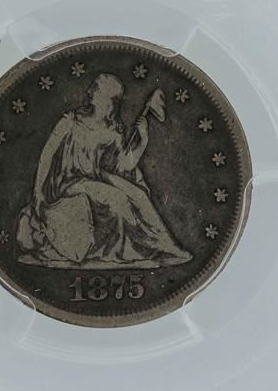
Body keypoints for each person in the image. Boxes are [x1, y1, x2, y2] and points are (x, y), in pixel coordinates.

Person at [16, 73, 192, 268]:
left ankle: (167, 245)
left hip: (96, 178)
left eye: (96, 88)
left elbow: (124, 166)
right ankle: (142, 245)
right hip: (68, 183)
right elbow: (46, 156)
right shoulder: (70, 121)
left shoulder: (113, 131)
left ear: (108, 98)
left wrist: (143, 139)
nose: (89, 91)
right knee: (117, 199)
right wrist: (38, 192)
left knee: (139, 195)